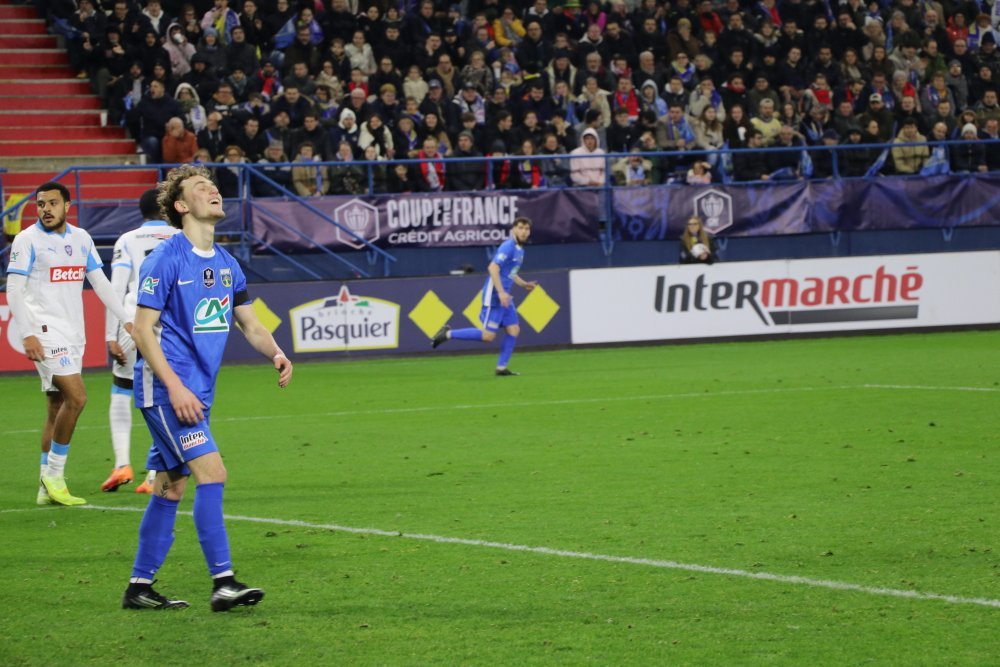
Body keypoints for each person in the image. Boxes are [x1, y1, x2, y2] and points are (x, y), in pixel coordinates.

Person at [122, 165, 293, 611]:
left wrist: (274, 352)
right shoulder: (165, 258)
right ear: (181, 206)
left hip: (198, 391)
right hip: (167, 391)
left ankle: (139, 587)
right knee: (212, 473)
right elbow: (143, 330)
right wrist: (175, 388)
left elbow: (249, 323)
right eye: (202, 188)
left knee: (170, 486)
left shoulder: (227, 264)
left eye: (214, 187)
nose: (214, 191)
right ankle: (224, 583)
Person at [6, 182, 133, 505]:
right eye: (40, 204)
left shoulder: (81, 239)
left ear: (67, 205)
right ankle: (55, 475)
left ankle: (43, 488)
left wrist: (125, 319)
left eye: (51, 203)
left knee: (56, 407)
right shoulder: (27, 239)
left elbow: (101, 284)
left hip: (73, 333)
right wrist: (27, 333)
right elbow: (15, 289)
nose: (45, 209)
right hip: (44, 331)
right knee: (77, 398)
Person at [102, 189, 182, 494]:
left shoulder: (128, 240)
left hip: (134, 318)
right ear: (166, 209)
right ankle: (153, 474)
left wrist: (112, 334)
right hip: (168, 322)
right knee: (162, 394)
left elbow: (117, 288)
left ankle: (122, 463)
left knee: (121, 391)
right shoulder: (180, 236)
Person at [431, 217, 538, 376]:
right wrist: (501, 292)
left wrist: (523, 284)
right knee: (488, 336)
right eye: (521, 228)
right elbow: (493, 268)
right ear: (514, 229)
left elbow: (511, 273)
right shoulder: (508, 246)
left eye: (527, 229)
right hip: (494, 296)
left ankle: (501, 368)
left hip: (505, 297)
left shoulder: (520, 250)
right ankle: (447, 334)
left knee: (514, 329)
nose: (524, 231)